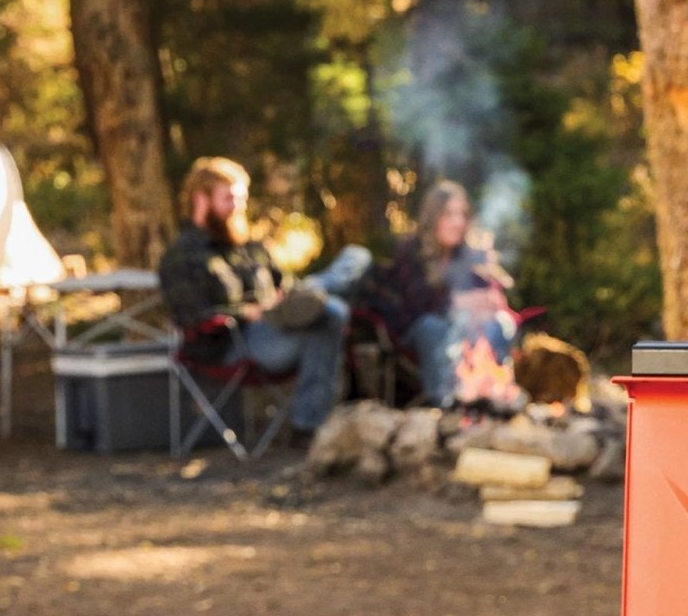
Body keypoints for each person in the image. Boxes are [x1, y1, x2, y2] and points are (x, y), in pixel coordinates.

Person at [159, 157, 352, 444]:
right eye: (229, 198)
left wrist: (284, 297)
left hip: (278, 323)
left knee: (346, 277)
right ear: (201, 199)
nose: (238, 206)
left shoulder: (249, 247)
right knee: (331, 312)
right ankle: (308, 427)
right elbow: (192, 316)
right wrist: (246, 312)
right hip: (232, 343)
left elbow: (282, 282)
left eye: (242, 199)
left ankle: (308, 427)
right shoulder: (182, 255)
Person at [358, 180, 517, 406]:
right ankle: (445, 402)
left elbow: (491, 295)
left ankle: (492, 395)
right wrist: (460, 302)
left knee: (500, 324)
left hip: (465, 333)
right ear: (433, 217)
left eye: (462, 215)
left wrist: (490, 302)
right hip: (417, 332)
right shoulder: (412, 250)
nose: (458, 222)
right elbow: (417, 305)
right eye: (449, 214)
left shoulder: (470, 255)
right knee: (433, 326)